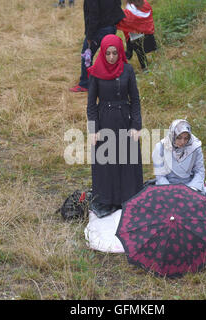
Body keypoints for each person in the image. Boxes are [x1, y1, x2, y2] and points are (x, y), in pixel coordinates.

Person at [87, 35, 143, 217]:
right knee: (106, 160)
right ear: (103, 53)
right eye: (108, 53)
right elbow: (91, 105)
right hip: (104, 120)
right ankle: (106, 199)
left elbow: (134, 100)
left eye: (115, 53)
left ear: (120, 52)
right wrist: (93, 130)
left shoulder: (127, 70)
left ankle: (127, 197)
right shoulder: (95, 71)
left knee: (127, 158)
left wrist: (136, 125)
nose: (111, 57)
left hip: (124, 120)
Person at [70, 0, 125, 92]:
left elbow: (93, 14)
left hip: (99, 29)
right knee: (110, 56)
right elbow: (118, 3)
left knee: (86, 54)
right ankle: (113, 82)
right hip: (111, 26)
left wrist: (89, 35)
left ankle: (85, 83)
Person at [152, 119, 205, 192]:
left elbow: (199, 171)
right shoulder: (160, 147)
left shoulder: (195, 147)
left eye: (186, 138)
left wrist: (192, 188)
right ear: (173, 135)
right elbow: (160, 176)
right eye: (179, 138)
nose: (182, 142)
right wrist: (171, 191)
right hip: (167, 187)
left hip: (189, 186)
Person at [117, 0, 157, 72]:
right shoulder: (144, 3)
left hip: (136, 34)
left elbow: (128, 20)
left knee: (140, 51)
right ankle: (144, 66)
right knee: (141, 51)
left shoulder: (132, 7)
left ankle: (144, 67)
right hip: (141, 32)